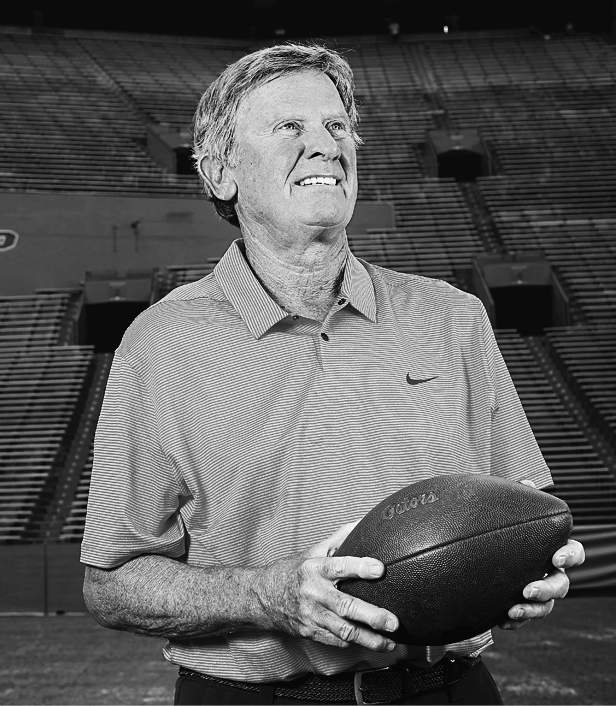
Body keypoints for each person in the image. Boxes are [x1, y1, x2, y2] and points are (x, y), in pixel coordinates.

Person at [79, 43, 585, 705]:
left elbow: (523, 508)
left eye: (337, 127)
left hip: (452, 690)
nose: (325, 145)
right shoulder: (161, 343)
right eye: (290, 127)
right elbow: (111, 582)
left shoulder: (455, 317)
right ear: (221, 171)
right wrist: (266, 595)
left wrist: (539, 563)